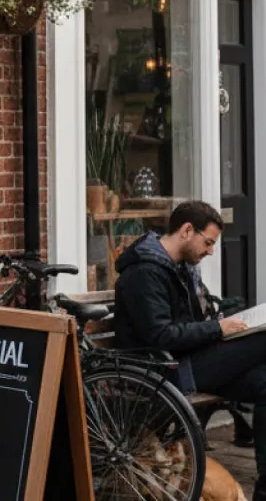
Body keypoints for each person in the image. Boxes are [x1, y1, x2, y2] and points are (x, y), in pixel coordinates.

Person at [113, 200, 266, 499]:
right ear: (186, 231)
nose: (210, 251)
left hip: (190, 360)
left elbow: (189, 326)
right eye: (208, 242)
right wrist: (218, 329)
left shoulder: (180, 269)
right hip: (163, 371)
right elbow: (159, 335)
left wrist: (219, 326)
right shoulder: (144, 272)